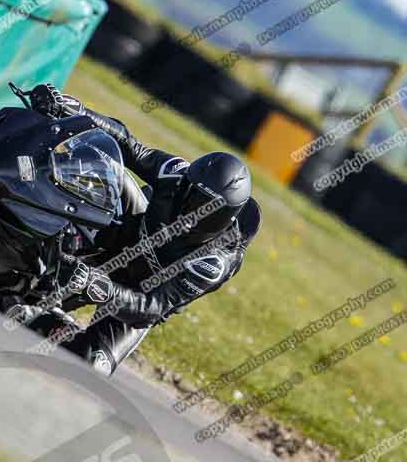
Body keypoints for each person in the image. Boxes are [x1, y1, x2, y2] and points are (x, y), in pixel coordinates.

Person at [27, 83, 262, 375]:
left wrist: (98, 287)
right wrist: (75, 110)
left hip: (139, 297)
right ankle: (37, 230)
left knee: (91, 364)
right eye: (192, 199)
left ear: (228, 217)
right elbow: (129, 143)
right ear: (185, 185)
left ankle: (53, 323)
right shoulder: (175, 175)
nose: (193, 214)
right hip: (122, 240)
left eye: (209, 211)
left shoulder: (215, 262)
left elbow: (153, 307)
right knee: (111, 170)